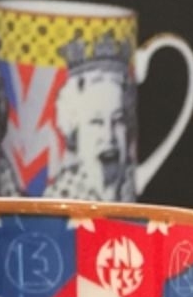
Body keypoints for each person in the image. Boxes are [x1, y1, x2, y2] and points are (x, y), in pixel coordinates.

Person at [47, 65, 135, 202]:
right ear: (75, 132)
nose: (109, 136)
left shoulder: (132, 182)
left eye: (118, 120)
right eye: (96, 122)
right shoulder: (59, 197)